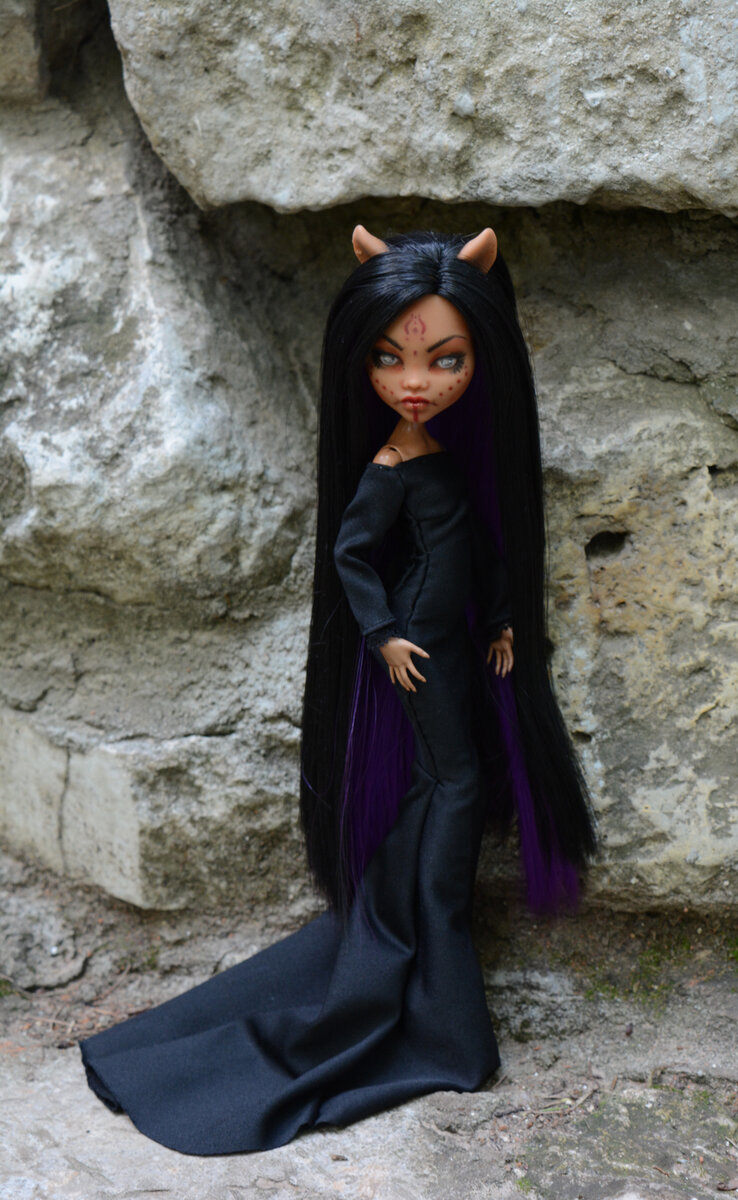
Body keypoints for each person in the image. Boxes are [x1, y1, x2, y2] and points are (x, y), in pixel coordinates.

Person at [80, 226, 596, 1156]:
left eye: (444, 360)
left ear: (481, 361)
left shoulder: (443, 456)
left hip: (455, 640)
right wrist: (383, 634)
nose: (415, 381)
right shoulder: (389, 469)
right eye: (390, 359)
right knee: (455, 780)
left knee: (449, 778)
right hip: (415, 649)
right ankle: (421, 929)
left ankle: (410, 921)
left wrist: (503, 619)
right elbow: (352, 557)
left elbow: (480, 549)